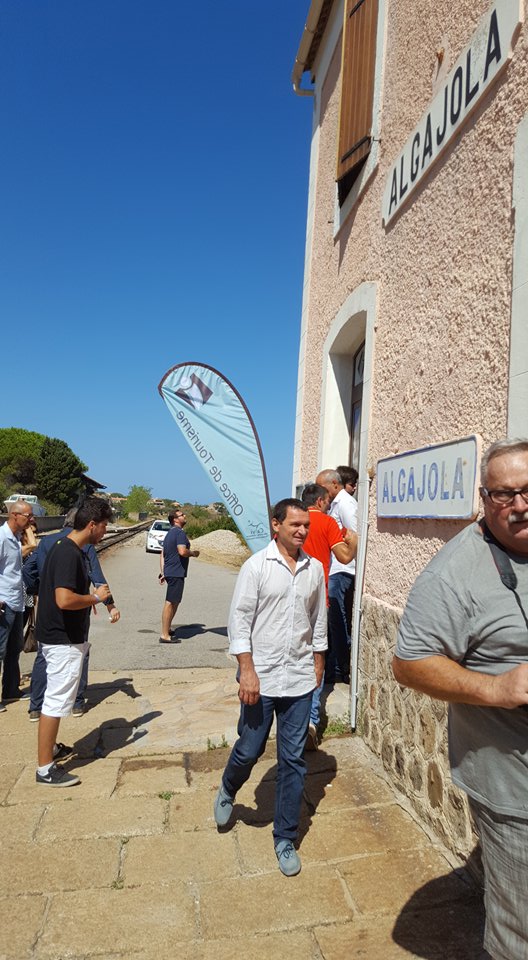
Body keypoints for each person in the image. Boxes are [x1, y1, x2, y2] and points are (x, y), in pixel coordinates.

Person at [393, 439, 528, 960]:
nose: (519, 505)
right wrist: (497, 688)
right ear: (484, 499)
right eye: (504, 494)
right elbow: (408, 664)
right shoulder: (452, 574)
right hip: (514, 791)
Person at [214, 498, 327, 876]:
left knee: (293, 760)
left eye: (306, 525)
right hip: (260, 677)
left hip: (298, 679)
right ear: (276, 525)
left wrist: (318, 662)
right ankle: (228, 788)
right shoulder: (256, 567)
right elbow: (239, 622)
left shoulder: (314, 569)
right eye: (295, 524)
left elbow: (318, 620)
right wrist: (246, 670)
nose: (302, 531)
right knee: (250, 748)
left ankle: (285, 838)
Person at [35, 497, 114, 787]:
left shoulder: (62, 546)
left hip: (57, 636)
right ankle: (45, 769)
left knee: (54, 699)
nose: (105, 531)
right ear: (92, 525)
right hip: (63, 639)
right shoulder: (69, 553)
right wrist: (95, 598)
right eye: (104, 526)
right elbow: (64, 599)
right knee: (56, 701)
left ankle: (51, 748)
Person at [25, 508, 120, 721]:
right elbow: (97, 577)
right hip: (74, 608)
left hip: (47, 610)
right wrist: (109, 604)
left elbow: (28, 571)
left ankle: (35, 706)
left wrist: (37, 592)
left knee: (44, 656)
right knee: (79, 652)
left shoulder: (47, 542)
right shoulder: (80, 545)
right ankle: (77, 702)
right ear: (87, 523)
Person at [301, 483, 357, 748]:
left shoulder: (292, 522)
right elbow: (344, 556)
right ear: (321, 501)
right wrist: (354, 541)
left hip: (292, 597)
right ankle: (311, 721)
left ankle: (292, 718)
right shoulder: (326, 522)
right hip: (319, 597)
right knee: (317, 657)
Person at [316, 468, 358, 683]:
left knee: (337, 621)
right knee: (332, 622)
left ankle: (342, 668)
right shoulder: (334, 504)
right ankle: (334, 667)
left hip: (343, 569)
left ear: (334, 484)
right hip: (334, 568)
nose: (319, 491)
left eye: (321, 487)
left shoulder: (345, 504)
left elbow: (354, 535)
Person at [0, 499, 34, 710]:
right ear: (14, 515)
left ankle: (11, 689)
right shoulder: (2, 537)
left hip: (16, 601)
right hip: (4, 602)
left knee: (14, 649)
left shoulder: (14, 538)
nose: (32, 519)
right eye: (28, 516)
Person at [158, 510, 199, 643]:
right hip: (176, 572)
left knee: (175, 602)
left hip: (171, 571)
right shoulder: (180, 533)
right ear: (175, 519)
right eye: (182, 515)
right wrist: (193, 553)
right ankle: (164, 635)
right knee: (170, 602)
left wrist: (163, 572)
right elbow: (182, 551)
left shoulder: (170, 533)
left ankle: (167, 628)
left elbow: (162, 554)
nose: (184, 516)